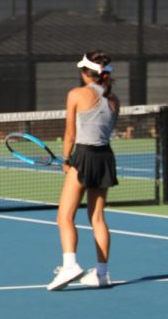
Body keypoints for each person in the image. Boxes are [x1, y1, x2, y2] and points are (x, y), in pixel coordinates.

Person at [47, 51, 120, 291]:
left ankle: (70, 266)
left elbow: (70, 133)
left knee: (64, 216)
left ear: (84, 72)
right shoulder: (114, 100)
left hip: (84, 156)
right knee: (97, 218)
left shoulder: (76, 94)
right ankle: (102, 273)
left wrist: (67, 159)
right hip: (105, 157)